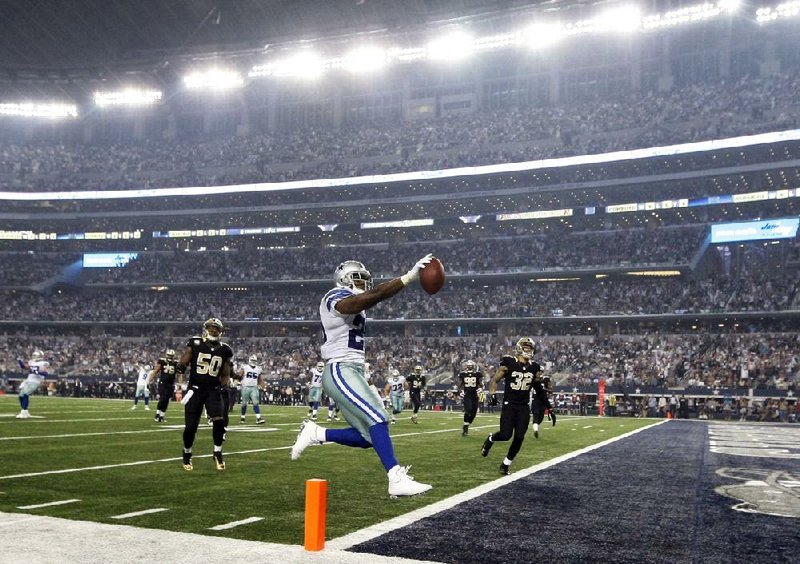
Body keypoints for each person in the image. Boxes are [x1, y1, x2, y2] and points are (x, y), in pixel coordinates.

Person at [291, 257, 434, 497]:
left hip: (353, 370)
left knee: (370, 436)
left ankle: (317, 433)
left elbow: (369, 298)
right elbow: (363, 300)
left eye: (366, 280)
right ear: (343, 279)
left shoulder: (357, 301)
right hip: (339, 368)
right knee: (377, 417)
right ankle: (395, 477)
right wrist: (408, 278)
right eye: (358, 278)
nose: (363, 283)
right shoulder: (333, 296)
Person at [481, 337, 548, 475]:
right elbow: (494, 381)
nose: (528, 350)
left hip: (523, 406)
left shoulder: (535, 367)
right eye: (526, 347)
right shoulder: (508, 362)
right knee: (505, 435)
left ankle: (505, 464)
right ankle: (490, 439)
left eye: (530, 348)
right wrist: (492, 395)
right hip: (509, 404)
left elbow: (539, 389)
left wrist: (549, 406)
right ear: (519, 348)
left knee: (519, 437)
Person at [179, 318, 234, 471]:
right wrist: (181, 366)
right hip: (195, 389)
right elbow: (186, 358)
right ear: (206, 329)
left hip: (213, 390)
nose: (213, 330)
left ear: (221, 331)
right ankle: (187, 452)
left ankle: (217, 452)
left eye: (216, 328)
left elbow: (225, 372)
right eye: (211, 327)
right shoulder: (195, 343)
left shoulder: (225, 349)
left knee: (219, 421)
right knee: (190, 427)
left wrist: (224, 385)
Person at [147, 349, 181, 422]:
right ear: (166, 355)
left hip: (171, 384)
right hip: (163, 383)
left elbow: (179, 374)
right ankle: (157, 414)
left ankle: (161, 416)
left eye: (171, 356)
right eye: (169, 355)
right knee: (163, 398)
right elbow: (156, 370)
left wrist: (179, 384)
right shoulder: (162, 361)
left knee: (166, 400)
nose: (170, 357)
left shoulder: (176, 363)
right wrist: (150, 380)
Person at [16, 350, 50, 419]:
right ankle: (25, 411)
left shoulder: (44, 363)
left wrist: (37, 372)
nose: (33, 357)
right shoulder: (32, 362)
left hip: (35, 381)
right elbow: (24, 367)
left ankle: (24, 412)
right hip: (28, 380)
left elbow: (46, 373)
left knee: (25, 394)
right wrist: (19, 361)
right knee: (20, 396)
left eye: (35, 355)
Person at [458, 360, 484, 436]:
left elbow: (481, 383)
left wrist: (481, 388)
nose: (469, 367)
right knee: (468, 409)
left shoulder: (477, 374)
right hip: (467, 395)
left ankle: (466, 425)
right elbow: (459, 384)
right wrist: (460, 391)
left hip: (475, 395)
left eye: (471, 366)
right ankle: (465, 428)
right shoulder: (463, 374)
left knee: (473, 413)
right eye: (468, 366)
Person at [239, 355, 265, 424]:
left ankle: (258, 418)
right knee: (244, 403)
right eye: (252, 361)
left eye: (255, 361)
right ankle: (243, 417)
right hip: (245, 387)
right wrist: (237, 381)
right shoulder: (245, 367)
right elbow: (240, 375)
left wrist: (262, 385)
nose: (253, 362)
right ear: (250, 361)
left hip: (254, 387)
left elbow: (259, 378)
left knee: (256, 402)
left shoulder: (258, 369)